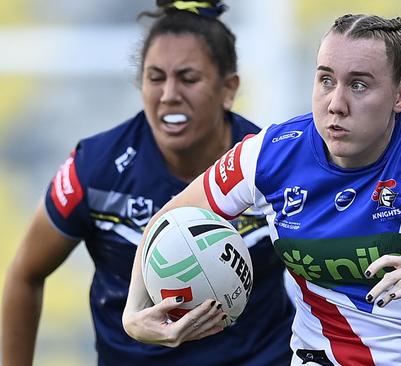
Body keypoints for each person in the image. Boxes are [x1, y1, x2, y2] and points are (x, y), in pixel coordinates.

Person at [123, 13, 401, 365]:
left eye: (359, 85)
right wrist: (133, 315)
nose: (336, 103)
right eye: (326, 80)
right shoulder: (272, 153)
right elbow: (168, 221)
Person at [1, 1, 294, 365]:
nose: (169, 93)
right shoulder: (95, 167)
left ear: (228, 89)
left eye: (188, 78)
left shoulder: (273, 166)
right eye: (155, 77)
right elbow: (25, 274)